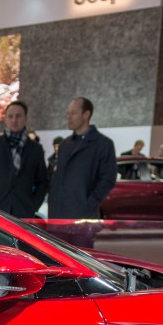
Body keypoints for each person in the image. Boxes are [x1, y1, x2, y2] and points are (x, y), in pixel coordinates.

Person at [49, 97, 117, 247]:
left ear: (86, 114)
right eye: (68, 113)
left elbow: (108, 179)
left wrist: (88, 204)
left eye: (73, 113)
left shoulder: (103, 144)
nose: (69, 117)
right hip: (58, 219)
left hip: (83, 219)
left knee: (80, 264)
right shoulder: (65, 145)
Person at [0, 100, 49, 218]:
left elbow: (42, 181)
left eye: (18, 116)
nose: (14, 120)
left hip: (24, 212)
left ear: (25, 118)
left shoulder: (35, 149)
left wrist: (33, 204)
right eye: (10, 116)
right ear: (5, 119)